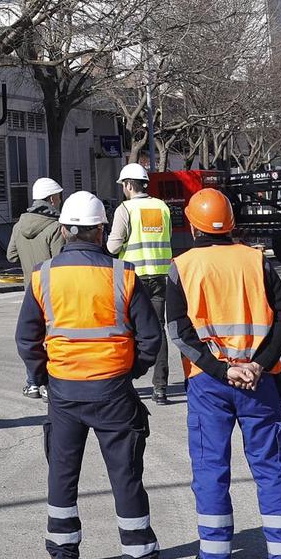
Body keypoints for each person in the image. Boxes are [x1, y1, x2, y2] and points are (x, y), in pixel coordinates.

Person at [18, 191, 182, 559]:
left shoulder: (44, 274)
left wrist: (42, 376)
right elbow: (150, 338)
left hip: (64, 391)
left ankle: (62, 556)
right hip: (112, 390)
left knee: (62, 472)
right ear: (100, 230)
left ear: (63, 230)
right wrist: (130, 372)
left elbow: (27, 338)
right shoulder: (122, 274)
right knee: (125, 475)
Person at [167, 188, 281, 559]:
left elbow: (179, 334)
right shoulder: (256, 261)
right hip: (259, 382)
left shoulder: (182, 267)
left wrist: (221, 370)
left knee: (210, 469)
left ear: (194, 227)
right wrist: (256, 364)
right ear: (231, 223)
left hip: (208, 385)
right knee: (270, 471)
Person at [109, 162, 177, 406]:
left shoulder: (125, 210)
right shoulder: (162, 207)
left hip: (133, 278)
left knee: (127, 331)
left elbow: (113, 246)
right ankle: (160, 388)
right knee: (158, 330)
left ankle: (124, 383)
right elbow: (166, 237)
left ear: (128, 185)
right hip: (160, 276)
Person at [9, 177, 68, 399]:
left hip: (30, 290)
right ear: (51, 198)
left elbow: (11, 255)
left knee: (33, 337)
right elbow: (60, 261)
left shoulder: (19, 225)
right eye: (58, 196)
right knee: (52, 338)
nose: (60, 200)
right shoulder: (55, 227)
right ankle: (48, 384)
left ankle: (32, 383)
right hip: (53, 291)